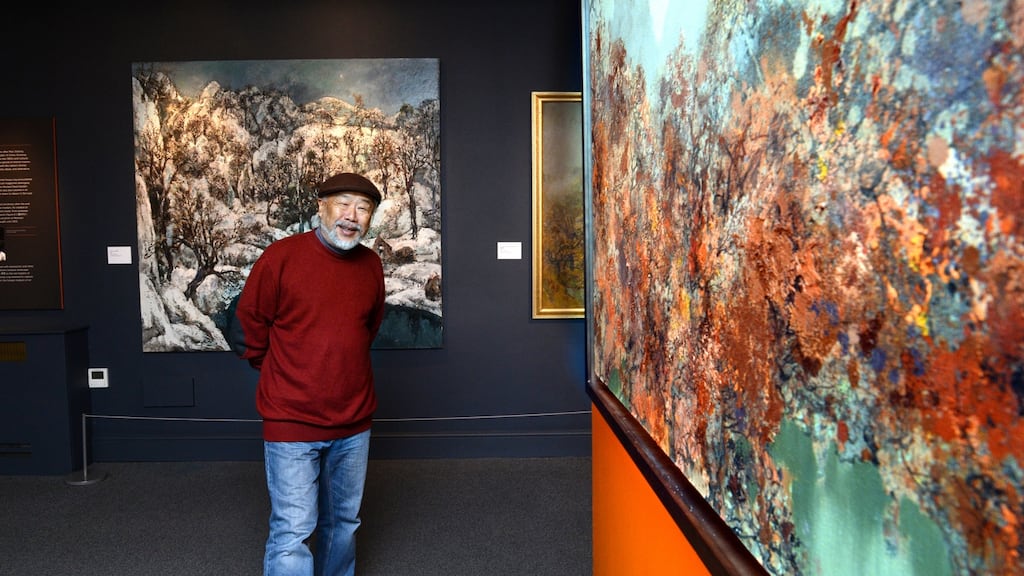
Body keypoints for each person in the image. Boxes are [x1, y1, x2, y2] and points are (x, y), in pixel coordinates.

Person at [233, 172, 386, 576]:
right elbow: (249, 323)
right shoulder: (280, 257)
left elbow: (367, 328)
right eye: (344, 203)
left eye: (364, 208)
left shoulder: (371, 265)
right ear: (321, 206)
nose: (352, 216)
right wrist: (286, 373)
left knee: (344, 524)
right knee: (294, 529)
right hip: (291, 421)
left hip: (354, 422)